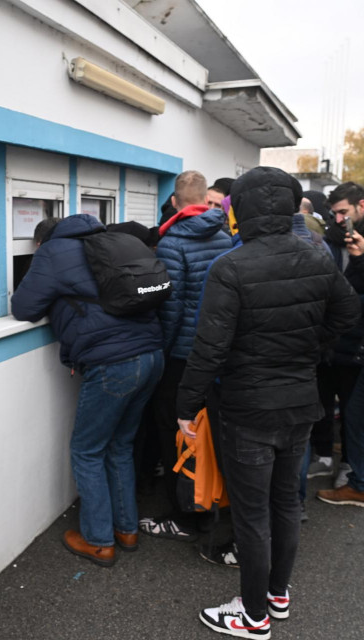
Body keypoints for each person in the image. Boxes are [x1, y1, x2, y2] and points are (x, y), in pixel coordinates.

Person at [176, 167, 359, 639]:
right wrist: (312, 347)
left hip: (249, 408)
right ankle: (277, 594)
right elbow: (347, 310)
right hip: (300, 401)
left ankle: (253, 615)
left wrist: (185, 405)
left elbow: (209, 347)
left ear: (243, 210)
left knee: (252, 513)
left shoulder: (231, 266)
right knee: (284, 504)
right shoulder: (317, 255)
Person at [11, 214, 164, 567]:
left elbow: (23, 308)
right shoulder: (114, 242)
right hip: (152, 355)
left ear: (38, 243)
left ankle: (98, 540)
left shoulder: (52, 252)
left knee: (87, 451)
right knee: (120, 446)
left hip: (115, 364)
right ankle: (126, 529)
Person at [139, 170, 232, 542]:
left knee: (175, 434)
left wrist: (161, 355)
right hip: (217, 353)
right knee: (208, 433)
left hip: (181, 357)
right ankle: (210, 503)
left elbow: (171, 309)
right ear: (205, 200)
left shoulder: (172, 242)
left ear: (175, 202)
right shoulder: (226, 236)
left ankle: (184, 515)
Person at [310, 182, 364, 487]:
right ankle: (328, 457)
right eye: (334, 213)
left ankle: (353, 469)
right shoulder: (328, 240)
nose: (338, 219)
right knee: (330, 407)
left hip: (362, 345)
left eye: (343, 212)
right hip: (329, 341)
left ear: (361, 207)